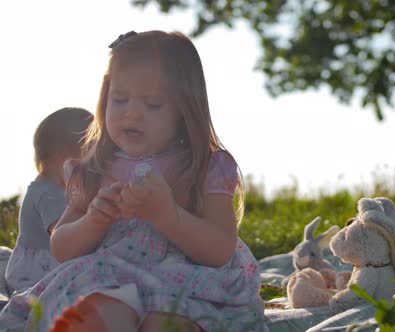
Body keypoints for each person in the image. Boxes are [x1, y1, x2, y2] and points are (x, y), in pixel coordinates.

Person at [0, 30, 265, 332]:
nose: (132, 113)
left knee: (167, 324)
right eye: (120, 99)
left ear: (184, 109)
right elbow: (61, 247)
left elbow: (219, 251)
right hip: (107, 281)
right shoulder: (96, 168)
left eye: (152, 104)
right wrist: (93, 220)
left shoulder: (205, 167)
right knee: (95, 315)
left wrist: (168, 216)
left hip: (185, 286)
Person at [4, 107, 93, 294]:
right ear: (66, 158)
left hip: (47, 262)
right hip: (36, 273)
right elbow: (61, 233)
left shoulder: (56, 189)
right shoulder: (47, 194)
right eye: (90, 156)